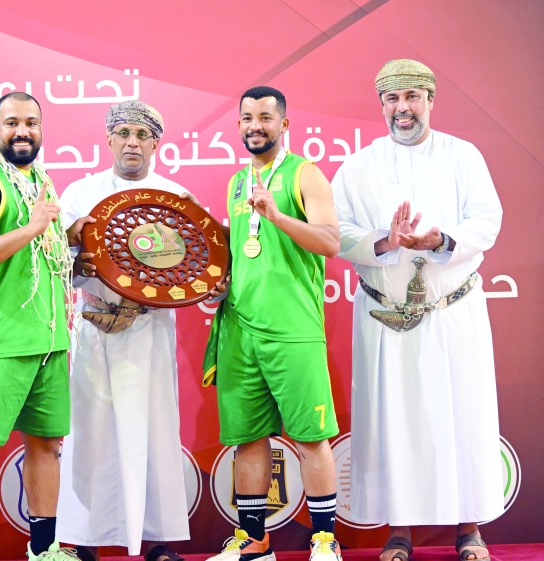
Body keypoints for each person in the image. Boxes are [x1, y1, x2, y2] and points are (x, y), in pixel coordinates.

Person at [332, 59, 503, 561]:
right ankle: (399, 533)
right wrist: (383, 241)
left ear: (430, 99)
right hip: (385, 320)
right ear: (380, 104)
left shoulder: (462, 156)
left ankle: (469, 530)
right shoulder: (358, 165)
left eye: (411, 96)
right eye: (391, 98)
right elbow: (337, 232)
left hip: (453, 312)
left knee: (462, 416)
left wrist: (440, 239)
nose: (401, 108)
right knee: (393, 421)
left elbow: (487, 220)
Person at [204, 86, 343, 561]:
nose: (254, 126)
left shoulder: (305, 173)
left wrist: (279, 215)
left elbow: (328, 241)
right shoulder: (236, 182)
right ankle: (253, 541)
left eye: (265, 117)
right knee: (248, 439)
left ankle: (325, 540)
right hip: (240, 329)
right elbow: (244, 247)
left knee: (310, 437)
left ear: (284, 124)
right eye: (246, 118)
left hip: (292, 328)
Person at [57, 100, 193, 561]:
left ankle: (155, 540)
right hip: (95, 328)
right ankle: (84, 542)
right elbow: (57, 268)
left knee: (153, 430)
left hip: (150, 331)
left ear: (157, 142)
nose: (132, 142)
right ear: (109, 139)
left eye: (142, 135)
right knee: (89, 432)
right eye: (124, 133)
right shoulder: (78, 194)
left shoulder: (176, 197)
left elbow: (196, 271)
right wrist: (78, 263)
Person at [0, 92, 76, 561]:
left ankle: (44, 551)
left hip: (46, 339)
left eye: (30, 122)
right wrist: (33, 227)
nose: (21, 131)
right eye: (11, 123)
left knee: (46, 446)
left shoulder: (38, 180)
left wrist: (69, 232)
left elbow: (45, 252)